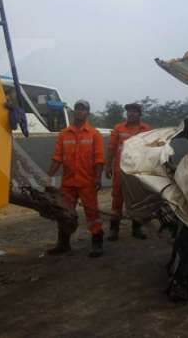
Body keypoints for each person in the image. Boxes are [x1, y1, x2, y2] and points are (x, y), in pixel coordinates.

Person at [47, 100, 105, 257]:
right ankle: (63, 244)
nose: (79, 111)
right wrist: (49, 176)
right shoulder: (63, 134)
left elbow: (99, 159)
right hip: (68, 183)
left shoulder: (95, 134)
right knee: (64, 213)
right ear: (73, 112)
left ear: (87, 113)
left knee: (92, 214)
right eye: (77, 109)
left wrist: (98, 178)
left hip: (87, 182)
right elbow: (57, 157)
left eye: (83, 109)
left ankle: (97, 243)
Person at [105, 103, 152, 241]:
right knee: (117, 200)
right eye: (129, 112)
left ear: (139, 114)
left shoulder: (147, 129)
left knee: (137, 200)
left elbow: (151, 151)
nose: (130, 114)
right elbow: (111, 148)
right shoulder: (118, 128)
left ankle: (136, 229)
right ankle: (114, 230)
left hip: (138, 171)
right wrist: (108, 166)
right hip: (120, 171)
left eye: (134, 112)